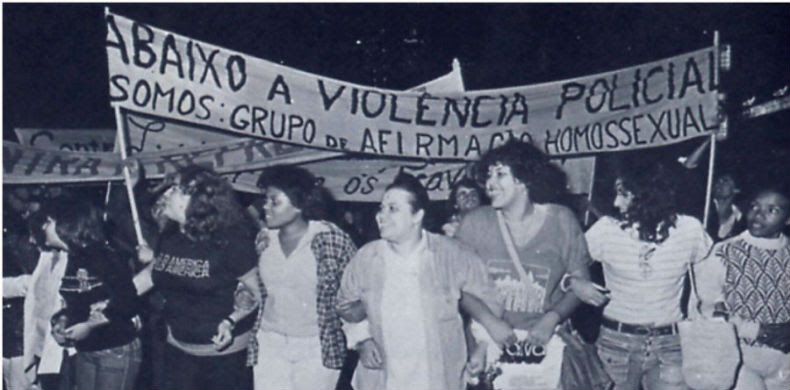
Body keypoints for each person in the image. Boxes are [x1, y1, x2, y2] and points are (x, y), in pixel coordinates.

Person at [337, 173, 509, 390]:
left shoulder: (452, 254)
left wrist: (482, 346)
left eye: (393, 209)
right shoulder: (367, 257)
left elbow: (489, 299)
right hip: (383, 376)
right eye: (381, 208)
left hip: (438, 375)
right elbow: (346, 306)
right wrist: (362, 340)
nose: (381, 216)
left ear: (417, 216)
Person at [568, 163, 713, 390]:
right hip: (615, 344)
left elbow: (708, 281)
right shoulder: (606, 230)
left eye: (624, 195)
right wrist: (574, 283)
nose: (616, 203)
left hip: (671, 344)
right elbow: (564, 268)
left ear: (649, 195)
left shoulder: (690, 230)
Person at [133, 164, 262, 390]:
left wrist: (232, 320)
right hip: (178, 348)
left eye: (173, 190)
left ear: (193, 198)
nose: (166, 195)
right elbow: (155, 273)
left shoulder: (230, 240)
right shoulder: (170, 235)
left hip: (223, 357)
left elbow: (258, 290)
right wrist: (111, 299)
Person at [455, 140, 592, 346]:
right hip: (486, 341)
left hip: (546, 341)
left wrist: (552, 318)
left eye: (500, 174)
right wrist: (489, 321)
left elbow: (581, 284)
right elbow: (456, 285)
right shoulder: (475, 223)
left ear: (524, 179)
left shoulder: (562, 220)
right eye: (488, 175)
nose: (490, 183)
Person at [247, 165, 357, 390]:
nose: (265, 207)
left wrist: (361, 339)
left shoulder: (331, 239)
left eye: (274, 201)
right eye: (265, 200)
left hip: (316, 346)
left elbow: (356, 292)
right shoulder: (264, 239)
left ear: (298, 204)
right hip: (270, 343)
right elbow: (255, 286)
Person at [38, 200, 142, 390]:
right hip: (87, 350)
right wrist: (61, 321)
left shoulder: (103, 256)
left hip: (115, 348)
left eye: (48, 221)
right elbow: (79, 301)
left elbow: (129, 301)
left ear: (66, 225)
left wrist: (90, 325)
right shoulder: (72, 258)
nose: (43, 226)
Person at [695, 185, 790, 390]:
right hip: (739, 358)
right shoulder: (723, 252)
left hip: (785, 362)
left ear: (788, 219)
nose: (758, 215)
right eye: (755, 207)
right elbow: (704, 310)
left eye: (772, 210)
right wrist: (757, 331)